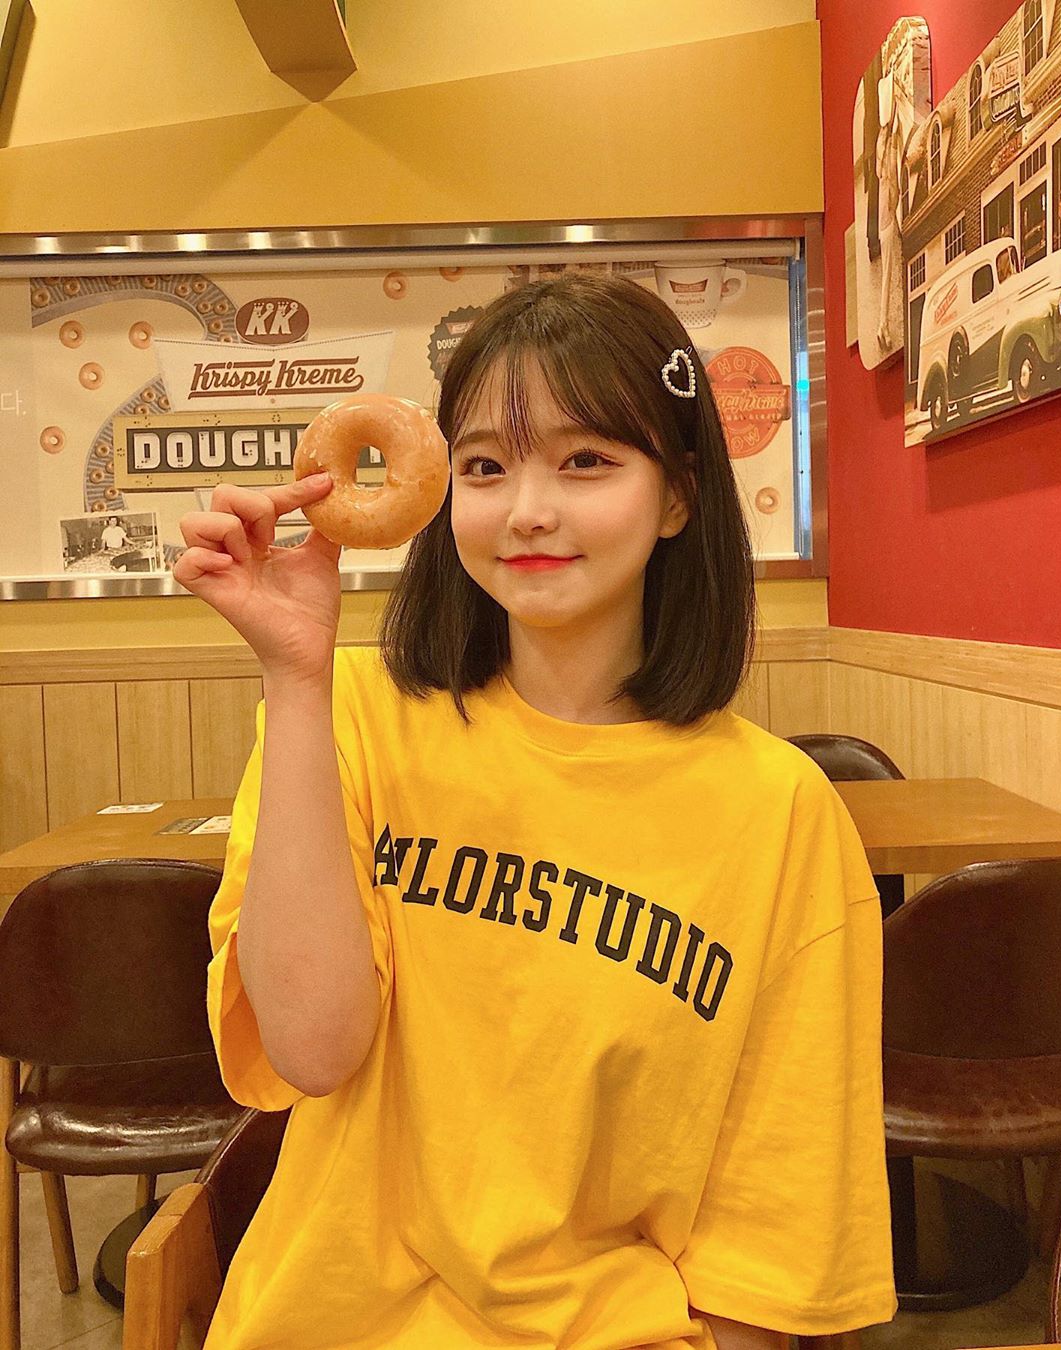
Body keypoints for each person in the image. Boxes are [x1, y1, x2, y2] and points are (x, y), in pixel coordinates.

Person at [175, 274, 897, 1350]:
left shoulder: (780, 811)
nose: (526, 511)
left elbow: (776, 1232)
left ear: (679, 496)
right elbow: (314, 1050)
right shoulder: (348, 716)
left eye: (586, 460)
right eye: (484, 466)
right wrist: (294, 676)